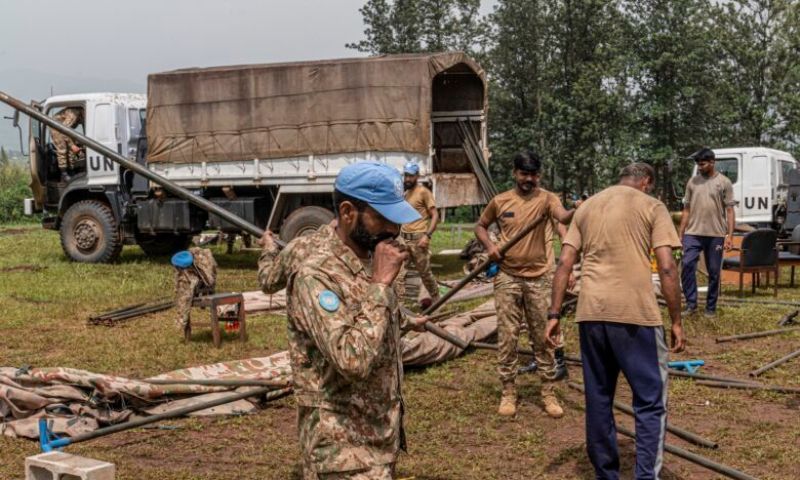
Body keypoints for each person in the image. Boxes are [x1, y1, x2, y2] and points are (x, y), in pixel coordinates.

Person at [284, 161, 428, 479]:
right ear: (348, 212)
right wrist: (379, 286)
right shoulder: (316, 275)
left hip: (377, 437)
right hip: (342, 451)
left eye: (397, 218)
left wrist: (401, 318)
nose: (395, 230)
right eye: (383, 218)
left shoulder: (369, 259)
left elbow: (364, 316)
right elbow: (352, 359)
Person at [546, 162, 686, 480]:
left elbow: (565, 264)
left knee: (598, 399)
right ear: (646, 182)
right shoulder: (652, 206)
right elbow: (666, 267)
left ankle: (606, 475)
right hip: (635, 315)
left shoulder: (588, 206)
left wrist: (553, 315)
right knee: (650, 402)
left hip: (590, 314)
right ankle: (646, 476)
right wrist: (676, 320)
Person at [474, 150, 576, 418]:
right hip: (508, 276)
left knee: (544, 336)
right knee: (507, 336)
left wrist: (576, 209)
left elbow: (562, 217)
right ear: (515, 173)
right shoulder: (500, 201)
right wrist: (490, 246)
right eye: (524, 173)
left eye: (533, 174)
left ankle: (548, 392)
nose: (529, 179)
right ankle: (508, 392)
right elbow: (480, 226)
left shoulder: (547, 199)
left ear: (538, 175)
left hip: (540, 278)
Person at [678, 147, 736, 318]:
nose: (699, 166)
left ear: (712, 162)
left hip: (715, 234)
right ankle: (691, 304)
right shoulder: (692, 182)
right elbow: (686, 209)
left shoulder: (724, 182)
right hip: (692, 233)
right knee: (687, 265)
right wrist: (680, 234)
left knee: (713, 271)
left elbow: (730, 211)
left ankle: (710, 307)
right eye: (697, 163)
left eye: (702, 163)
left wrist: (730, 236)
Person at [395, 161, 440, 306]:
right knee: (399, 274)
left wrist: (427, 236)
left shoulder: (423, 192)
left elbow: (435, 215)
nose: (407, 179)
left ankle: (437, 300)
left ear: (417, 176)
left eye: (411, 176)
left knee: (425, 274)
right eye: (406, 175)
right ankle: (399, 306)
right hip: (404, 239)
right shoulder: (405, 193)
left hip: (418, 239)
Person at [172, 248, 217, 340]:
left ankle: (182, 321)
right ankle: (183, 321)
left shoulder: (199, 264)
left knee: (184, 294)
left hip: (199, 284)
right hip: (195, 283)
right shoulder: (185, 271)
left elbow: (209, 280)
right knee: (184, 290)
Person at [51, 107, 84, 182]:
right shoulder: (73, 115)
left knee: (71, 149)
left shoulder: (80, 115)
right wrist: (72, 145)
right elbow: (64, 130)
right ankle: (64, 174)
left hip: (65, 129)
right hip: (57, 128)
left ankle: (71, 171)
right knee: (62, 149)